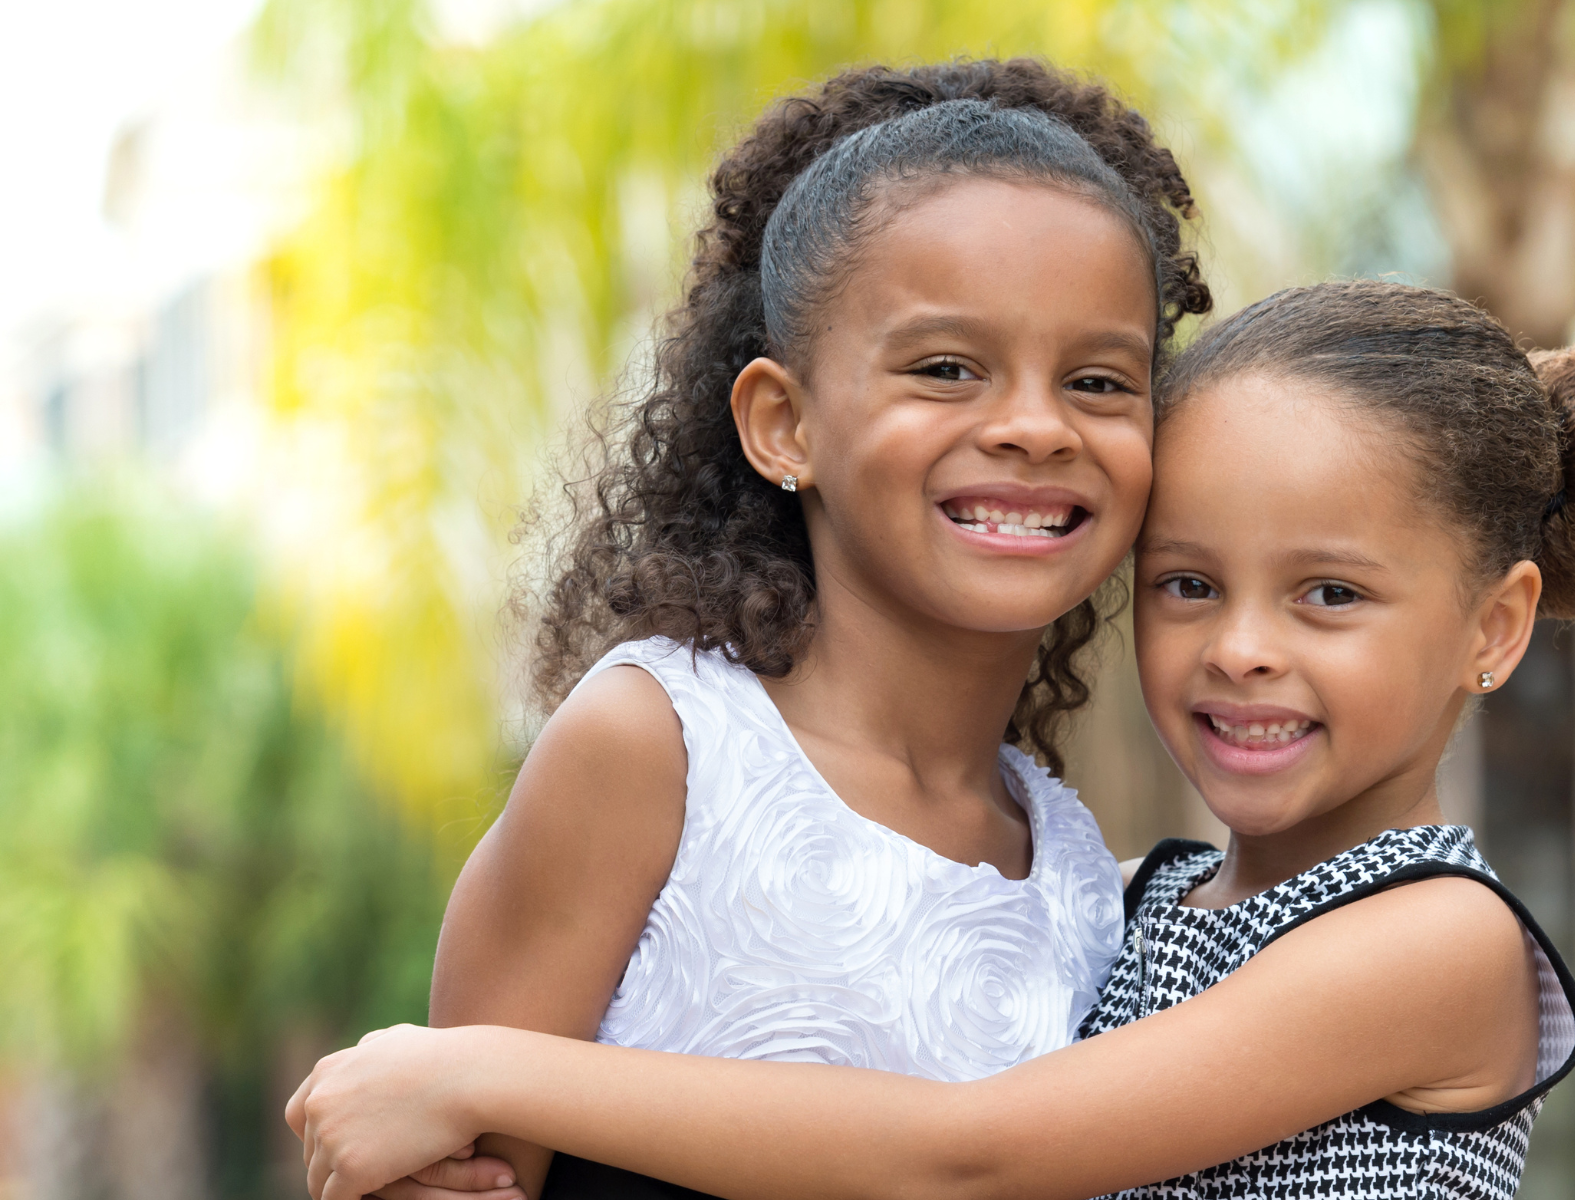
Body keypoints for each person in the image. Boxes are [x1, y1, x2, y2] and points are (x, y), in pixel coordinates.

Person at [290, 280, 1575, 1200]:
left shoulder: (1436, 940)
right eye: (1188, 584)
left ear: (1496, 629)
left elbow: (973, 1157)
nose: (1242, 646)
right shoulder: (1121, 895)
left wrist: (468, 1067)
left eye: (1330, 595)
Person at [371, 59, 1214, 1200]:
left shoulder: (1064, 862)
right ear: (783, 425)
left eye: (1101, 383)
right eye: (946, 368)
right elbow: (446, 1163)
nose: (1033, 425)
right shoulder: (655, 746)